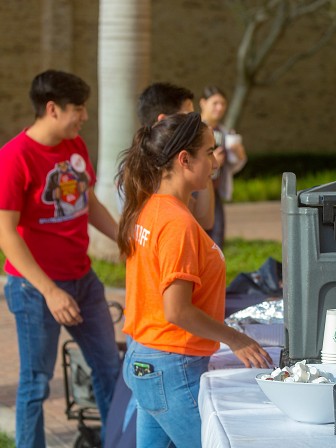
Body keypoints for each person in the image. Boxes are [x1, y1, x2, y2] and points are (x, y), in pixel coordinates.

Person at [116, 112, 271, 446]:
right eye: (210, 152)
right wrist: (236, 339)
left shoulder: (151, 208)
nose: (216, 161)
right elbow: (177, 311)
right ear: (184, 159)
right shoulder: (176, 223)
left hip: (148, 360)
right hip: (170, 365)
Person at [0, 70, 121, 448]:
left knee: (109, 370)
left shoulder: (75, 145)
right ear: (52, 109)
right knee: (36, 384)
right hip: (36, 290)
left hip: (83, 281)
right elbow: (6, 234)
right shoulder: (14, 157)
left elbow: (89, 203)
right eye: (78, 109)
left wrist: (125, 239)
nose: (84, 116)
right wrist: (50, 292)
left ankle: (117, 441)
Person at [117, 82, 215, 231]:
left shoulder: (186, 167)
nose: (195, 125)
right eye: (187, 118)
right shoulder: (139, 171)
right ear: (163, 121)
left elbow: (205, 221)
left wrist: (205, 160)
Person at [199, 86, 247, 250]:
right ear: (203, 103)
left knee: (216, 238)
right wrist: (213, 163)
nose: (219, 108)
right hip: (195, 191)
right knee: (198, 236)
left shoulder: (225, 132)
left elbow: (234, 164)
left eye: (223, 104)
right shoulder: (193, 129)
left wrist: (239, 155)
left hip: (215, 191)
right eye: (215, 103)